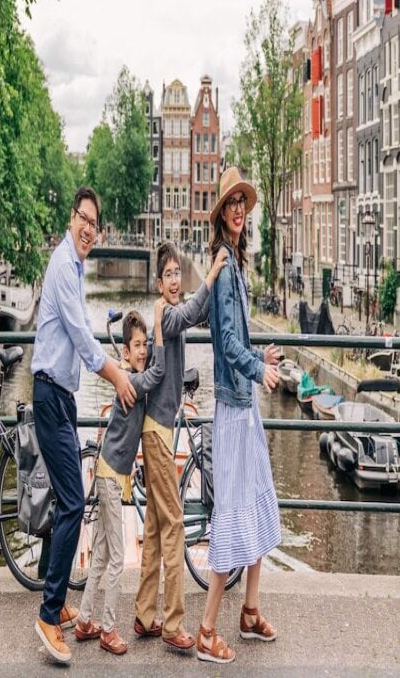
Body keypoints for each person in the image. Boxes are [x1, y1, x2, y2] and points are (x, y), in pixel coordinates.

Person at [31, 186, 137, 664]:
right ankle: (47, 615)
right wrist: (116, 374)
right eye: (84, 220)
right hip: (50, 394)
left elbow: (80, 332)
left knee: (66, 500)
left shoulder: (74, 267)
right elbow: (77, 331)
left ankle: (55, 601)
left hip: (61, 396)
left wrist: (106, 364)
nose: (89, 230)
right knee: (75, 502)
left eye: (95, 224)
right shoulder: (62, 265)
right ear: (70, 218)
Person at [196, 167, 281, 665]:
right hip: (233, 408)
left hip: (245, 407)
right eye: (231, 204)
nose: (238, 210)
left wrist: (259, 357)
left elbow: (239, 342)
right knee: (231, 512)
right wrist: (255, 368)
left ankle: (249, 611)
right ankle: (207, 630)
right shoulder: (224, 267)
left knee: (256, 501)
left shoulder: (235, 262)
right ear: (221, 213)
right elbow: (226, 344)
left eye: (242, 204)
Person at [134, 240, 229, 652]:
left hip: (160, 428)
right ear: (159, 283)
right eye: (168, 275)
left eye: (178, 273)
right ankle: (173, 623)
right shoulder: (166, 314)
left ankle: (143, 614)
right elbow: (190, 313)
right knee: (174, 524)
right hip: (157, 432)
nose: (174, 280)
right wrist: (212, 272)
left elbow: (199, 311)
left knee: (156, 527)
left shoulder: (172, 312)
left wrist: (216, 286)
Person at [75, 299, 167, 655]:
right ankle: (108, 629)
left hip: (108, 473)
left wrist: (149, 340)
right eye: (137, 346)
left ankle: (85, 620)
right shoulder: (130, 381)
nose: (143, 351)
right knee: (116, 558)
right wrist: (159, 327)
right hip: (112, 476)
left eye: (146, 345)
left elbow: (150, 371)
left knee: (100, 554)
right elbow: (156, 375)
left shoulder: (130, 374)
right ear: (125, 352)